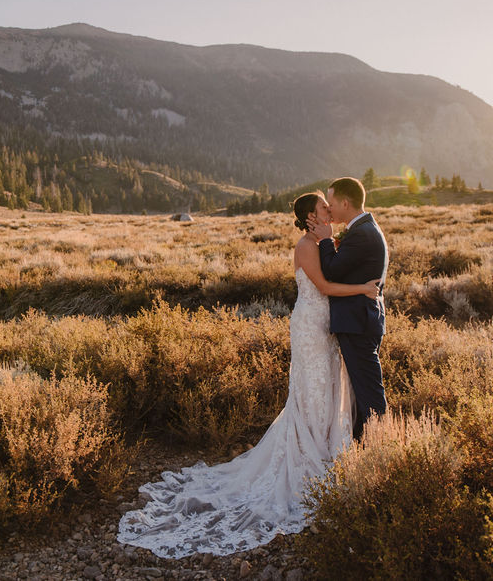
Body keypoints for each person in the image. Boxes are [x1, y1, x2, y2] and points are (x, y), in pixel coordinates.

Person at [117, 191, 380, 558]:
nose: (329, 210)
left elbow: (338, 269)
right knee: (311, 390)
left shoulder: (326, 242)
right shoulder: (307, 246)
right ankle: (309, 458)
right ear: (309, 216)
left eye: (329, 206)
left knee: (328, 387)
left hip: (328, 328)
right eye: (323, 207)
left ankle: (327, 448)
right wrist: (364, 290)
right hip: (310, 327)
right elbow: (324, 287)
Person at [306, 176, 389, 440]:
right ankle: (361, 444)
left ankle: (378, 449)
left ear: (344, 202)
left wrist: (327, 240)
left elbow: (331, 272)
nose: (329, 209)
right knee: (360, 391)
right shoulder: (363, 229)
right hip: (361, 320)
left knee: (368, 393)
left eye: (330, 203)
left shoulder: (362, 234)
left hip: (358, 323)